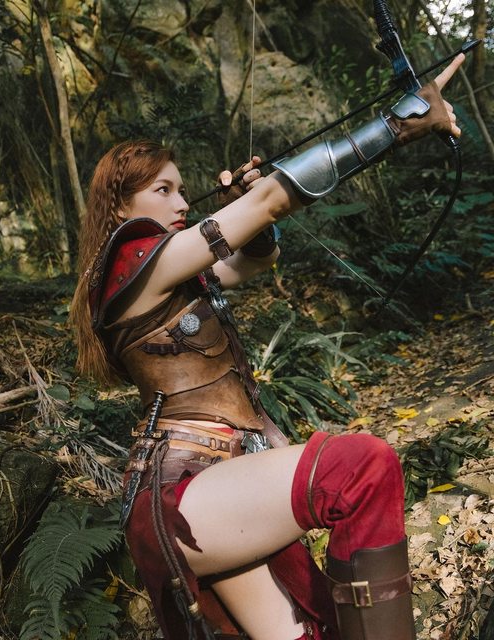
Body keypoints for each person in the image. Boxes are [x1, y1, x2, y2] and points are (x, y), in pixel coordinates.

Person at [70, 54, 464, 640]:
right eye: (163, 190)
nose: (181, 203)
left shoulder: (171, 275)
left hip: (220, 485)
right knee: (361, 468)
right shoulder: (130, 263)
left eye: (183, 190)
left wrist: (252, 210)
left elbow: (254, 258)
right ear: (121, 207)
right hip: (181, 494)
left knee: (307, 632)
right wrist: (399, 123)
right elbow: (267, 205)